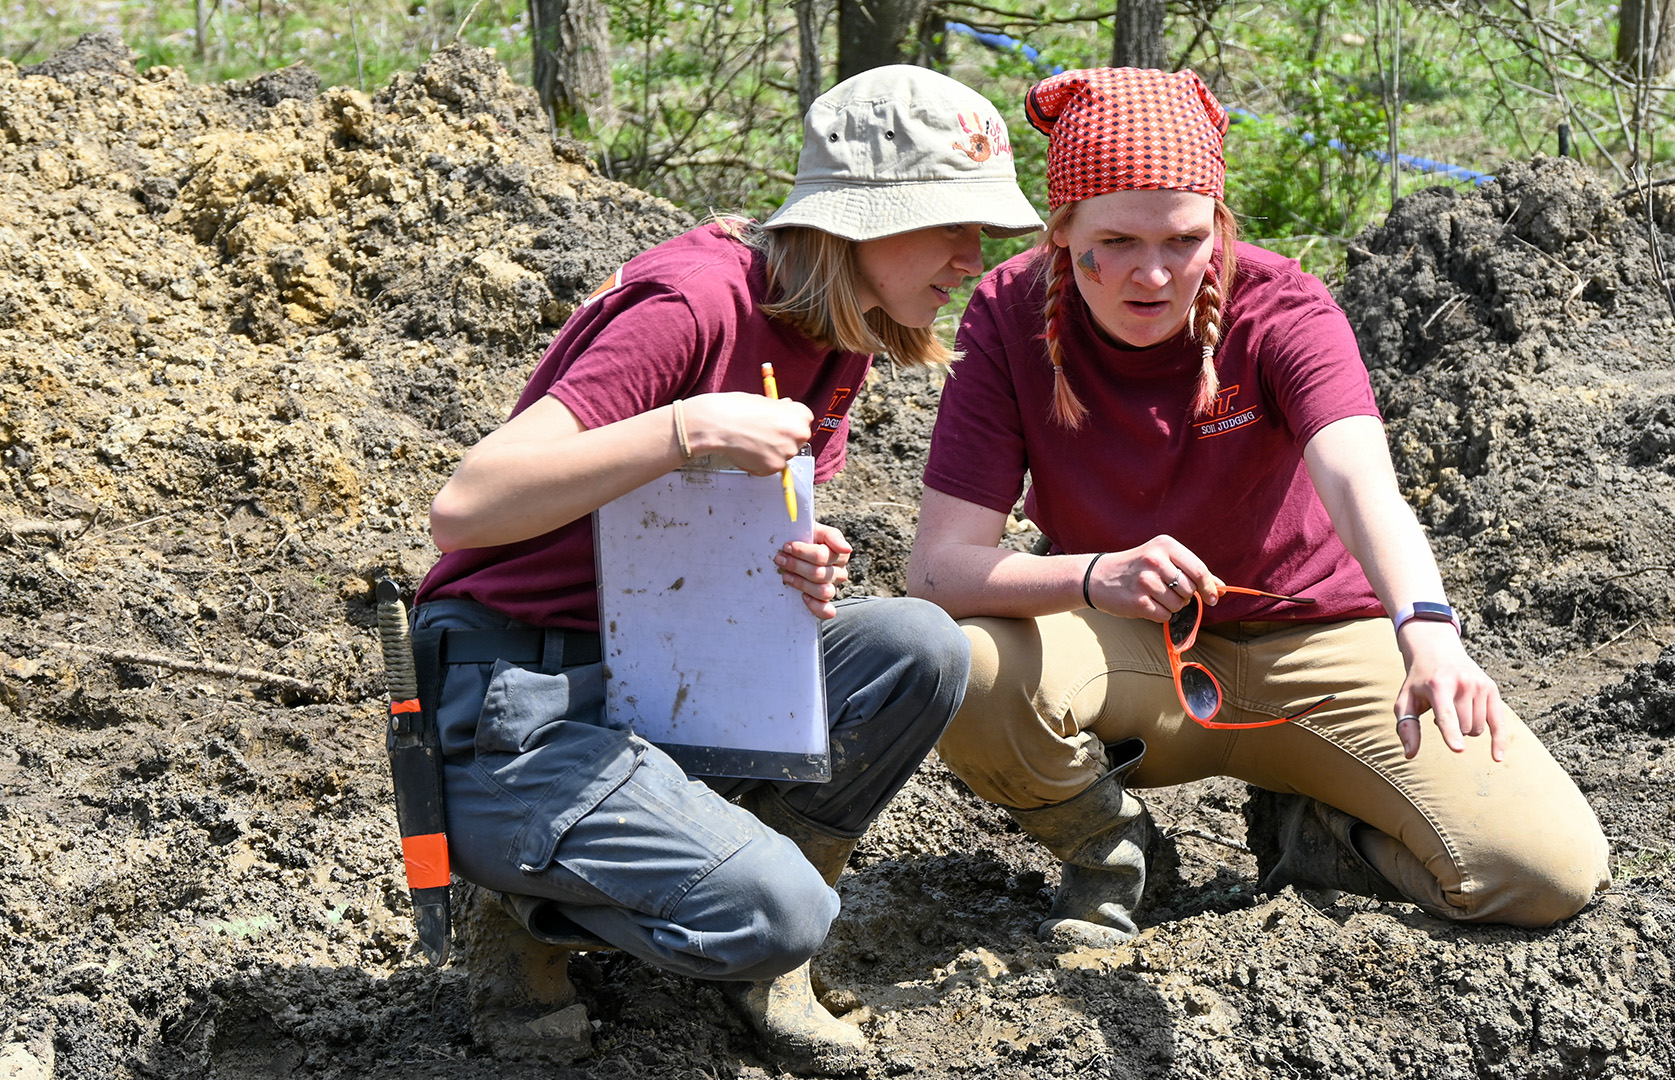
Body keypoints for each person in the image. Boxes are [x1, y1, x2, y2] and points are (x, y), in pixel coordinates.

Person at [410, 65, 1042, 1071]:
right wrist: (683, 427)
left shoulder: (845, 329)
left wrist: (794, 569)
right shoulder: (691, 307)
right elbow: (466, 509)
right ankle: (520, 916)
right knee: (781, 910)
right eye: (954, 225)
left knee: (921, 647)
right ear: (864, 217)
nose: (973, 256)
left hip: (660, 664)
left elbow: (722, 538)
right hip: (512, 702)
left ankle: (737, 936)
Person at [906, 67, 1609, 948]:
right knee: (956, 666)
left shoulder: (1282, 305)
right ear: (1061, 233)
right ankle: (1108, 849)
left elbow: (1359, 479)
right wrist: (1094, 576)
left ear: (1219, 225)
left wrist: (1428, 629)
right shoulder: (1011, 317)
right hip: (1134, 646)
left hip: (1318, 640)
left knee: (1542, 873)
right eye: (1116, 240)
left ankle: (1319, 839)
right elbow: (938, 568)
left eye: (1184, 239)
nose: (1153, 274)